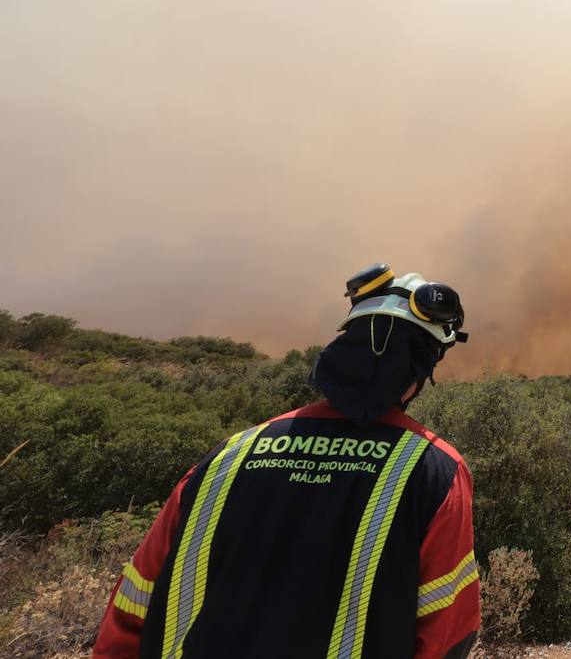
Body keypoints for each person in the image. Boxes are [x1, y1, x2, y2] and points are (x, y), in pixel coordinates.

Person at [93, 264, 480, 659]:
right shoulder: (434, 470)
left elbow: (132, 608)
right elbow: (448, 631)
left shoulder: (230, 454)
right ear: (423, 364)